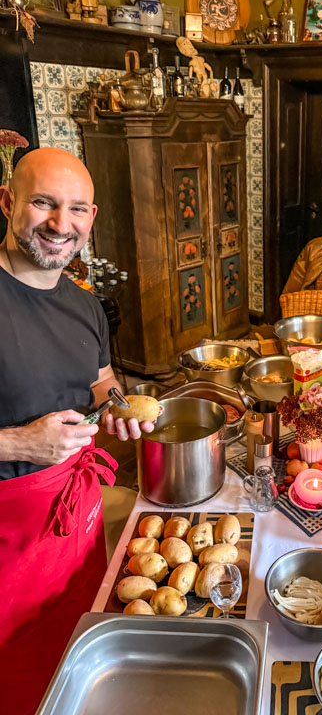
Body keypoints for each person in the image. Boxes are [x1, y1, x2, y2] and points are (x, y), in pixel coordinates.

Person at [0, 147, 156, 713]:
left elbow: (101, 379)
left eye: (78, 210)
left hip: (77, 517)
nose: (61, 225)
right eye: (43, 203)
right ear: (7, 202)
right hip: (7, 538)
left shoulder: (84, 303)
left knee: (76, 653)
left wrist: (117, 405)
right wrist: (18, 442)